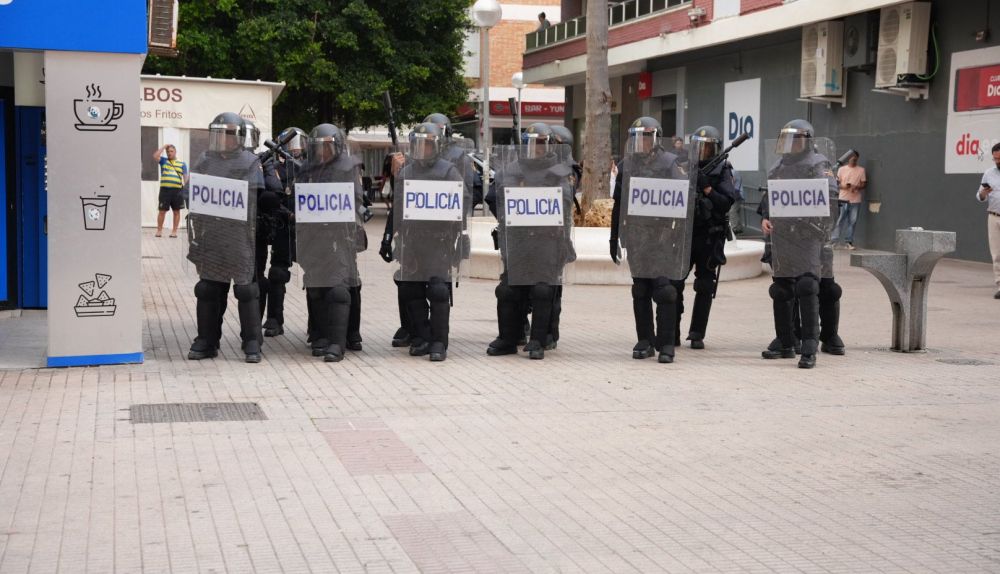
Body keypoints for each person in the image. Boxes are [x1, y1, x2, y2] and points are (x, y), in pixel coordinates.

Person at [379, 123, 470, 361]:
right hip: (412, 242)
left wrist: (462, 237)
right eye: (418, 144)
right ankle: (421, 336)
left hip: (438, 242)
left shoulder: (449, 171)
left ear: (436, 145)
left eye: (427, 144)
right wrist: (388, 238)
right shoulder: (407, 172)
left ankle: (439, 341)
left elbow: (463, 203)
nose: (422, 149)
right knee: (410, 289)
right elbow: (397, 209)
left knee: (439, 291)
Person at [487, 123, 575, 360]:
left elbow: (565, 203)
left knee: (543, 291)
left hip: (547, 242)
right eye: (531, 142)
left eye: (540, 143)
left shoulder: (558, 172)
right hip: (518, 241)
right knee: (507, 290)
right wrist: (509, 218)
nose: (535, 147)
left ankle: (538, 340)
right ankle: (508, 338)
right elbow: (494, 198)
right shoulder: (511, 170)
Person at [759, 119, 838, 369]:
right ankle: (785, 341)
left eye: (796, 140)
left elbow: (831, 197)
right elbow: (769, 197)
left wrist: (823, 227)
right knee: (781, 289)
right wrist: (765, 217)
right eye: (787, 140)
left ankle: (809, 346)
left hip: (808, 235)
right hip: (782, 236)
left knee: (806, 286)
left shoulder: (818, 164)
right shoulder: (778, 166)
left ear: (807, 142)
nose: (790, 145)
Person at [186, 112, 264, 363]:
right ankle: (207, 340)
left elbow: (255, 195)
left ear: (239, 137)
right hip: (211, 234)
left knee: (245, 289)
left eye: (229, 134)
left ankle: (252, 341)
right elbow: (192, 189)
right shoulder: (205, 160)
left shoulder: (250, 161)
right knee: (208, 288)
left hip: (239, 234)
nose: (224, 139)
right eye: (220, 133)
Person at [610, 116, 687, 363]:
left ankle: (666, 343)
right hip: (637, 238)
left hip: (663, 238)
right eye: (637, 137)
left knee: (664, 291)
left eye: (646, 136)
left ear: (655, 138)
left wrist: (679, 237)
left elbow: (683, 202)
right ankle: (645, 340)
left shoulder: (670, 164)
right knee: (640, 290)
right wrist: (614, 238)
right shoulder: (626, 165)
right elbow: (618, 206)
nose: (641, 141)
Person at [296, 123, 367, 362]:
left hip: (340, 236)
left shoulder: (348, 167)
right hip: (313, 237)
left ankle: (342, 339)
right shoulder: (307, 169)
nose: (322, 152)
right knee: (316, 287)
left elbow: (356, 199)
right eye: (318, 147)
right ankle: (320, 334)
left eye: (327, 147)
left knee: (340, 289)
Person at [676, 126, 736, 350]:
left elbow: (726, 202)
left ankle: (696, 333)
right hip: (684, 234)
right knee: (674, 282)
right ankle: (671, 330)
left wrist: (708, 189)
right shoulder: (683, 168)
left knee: (704, 285)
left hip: (709, 236)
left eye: (707, 147)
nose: (702, 152)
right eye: (699, 147)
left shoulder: (722, 170)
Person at [257, 127, 304, 338]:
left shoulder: (309, 168)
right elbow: (269, 194)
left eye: (299, 143)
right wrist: (287, 214)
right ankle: (275, 319)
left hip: (308, 229)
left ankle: (317, 326)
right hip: (283, 225)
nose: (295, 149)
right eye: (291, 145)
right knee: (277, 274)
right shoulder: (271, 167)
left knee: (316, 276)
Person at [977, 142, 1000, 299]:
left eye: (999, 158)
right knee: (997, 254)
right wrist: (984, 193)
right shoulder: (989, 173)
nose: (997, 162)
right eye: (995, 159)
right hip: (993, 216)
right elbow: (979, 196)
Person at [831, 151, 866, 249]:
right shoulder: (841, 169)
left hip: (855, 200)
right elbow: (836, 183)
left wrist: (856, 187)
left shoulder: (861, 170)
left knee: (852, 221)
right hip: (843, 199)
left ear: (857, 158)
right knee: (840, 220)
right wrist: (845, 186)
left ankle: (848, 242)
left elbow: (864, 184)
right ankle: (834, 241)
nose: (853, 159)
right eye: (852, 157)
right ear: (848, 158)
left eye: (855, 157)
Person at [153, 143, 188, 238]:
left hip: (177, 191)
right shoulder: (163, 161)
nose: (169, 153)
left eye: (171, 151)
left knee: (176, 211)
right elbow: (155, 156)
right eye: (168, 152)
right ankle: (159, 230)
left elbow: (186, 178)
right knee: (162, 211)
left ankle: (174, 231)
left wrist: (186, 190)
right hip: (165, 191)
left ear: (175, 152)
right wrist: (164, 146)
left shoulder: (182, 164)